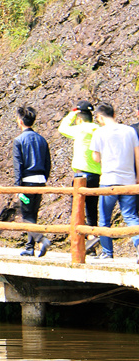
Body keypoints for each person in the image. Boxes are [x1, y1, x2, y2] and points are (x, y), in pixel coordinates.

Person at [90, 102, 139, 260]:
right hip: (129, 180)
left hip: (109, 180)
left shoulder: (99, 132)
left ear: (100, 117)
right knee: (130, 215)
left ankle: (108, 253)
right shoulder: (130, 131)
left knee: (105, 218)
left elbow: (96, 158)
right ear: (114, 115)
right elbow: (137, 155)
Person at [59, 101, 100, 250]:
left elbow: (62, 128)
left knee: (77, 209)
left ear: (80, 118)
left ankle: (82, 245)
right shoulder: (98, 129)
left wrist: (72, 113)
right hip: (96, 174)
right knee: (91, 209)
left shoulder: (80, 129)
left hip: (81, 175)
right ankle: (93, 241)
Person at [13, 105, 52, 257]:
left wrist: (17, 188)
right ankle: (30, 247)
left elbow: (18, 166)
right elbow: (48, 163)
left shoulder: (18, 140)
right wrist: (44, 179)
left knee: (26, 215)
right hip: (40, 182)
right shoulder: (42, 139)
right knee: (33, 214)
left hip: (26, 183)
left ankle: (41, 239)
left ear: (20, 121)